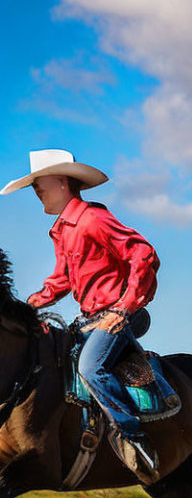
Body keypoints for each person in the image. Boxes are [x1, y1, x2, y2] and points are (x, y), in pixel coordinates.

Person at [1, 149, 161, 457]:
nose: (36, 192)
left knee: (90, 367)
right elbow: (62, 279)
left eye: (39, 184)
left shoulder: (91, 219)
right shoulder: (63, 230)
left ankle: (133, 436)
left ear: (61, 182)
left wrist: (124, 306)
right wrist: (29, 305)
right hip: (90, 317)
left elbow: (143, 253)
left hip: (117, 315)